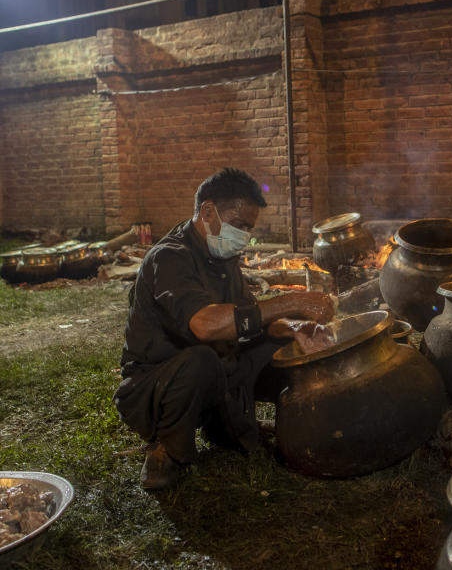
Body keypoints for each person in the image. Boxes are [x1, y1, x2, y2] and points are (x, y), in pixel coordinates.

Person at [113, 168, 335, 490]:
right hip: (157, 384)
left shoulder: (223, 257)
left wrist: (295, 328)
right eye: (239, 224)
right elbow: (206, 324)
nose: (244, 235)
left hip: (218, 370)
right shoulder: (169, 258)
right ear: (207, 211)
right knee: (201, 360)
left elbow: (249, 319)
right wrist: (289, 302)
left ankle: (242, 423)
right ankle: (167, 449)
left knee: (283, 348)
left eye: (249, 228)